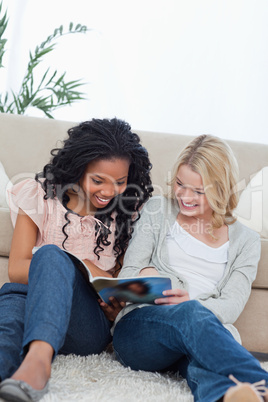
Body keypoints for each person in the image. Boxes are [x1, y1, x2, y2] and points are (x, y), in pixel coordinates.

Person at [0, 118, 153, 402]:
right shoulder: (40, 195)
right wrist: (74, 266)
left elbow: (125, 282)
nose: (109, 192)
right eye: (98, 180)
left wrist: (114, 300)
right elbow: (17, 269)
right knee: (9, 319)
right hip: (29, 299)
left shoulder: (129, 212)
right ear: (77, 168)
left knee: (48, 253)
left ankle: (38, 362)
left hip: (85, 325)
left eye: (120, 182)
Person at [111, 135, 268, 402]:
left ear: (221, 190)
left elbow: (231, 305)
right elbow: (126, 276)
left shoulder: (247, 242)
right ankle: (261, 381)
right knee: (191, 316)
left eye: (198, 191)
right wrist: (152, 281)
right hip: (142, 331)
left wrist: (191, 303)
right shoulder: (158, 210)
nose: (184, 196)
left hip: (200, 336)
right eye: (181, 185)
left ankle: (228, 396)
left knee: (208, 364)